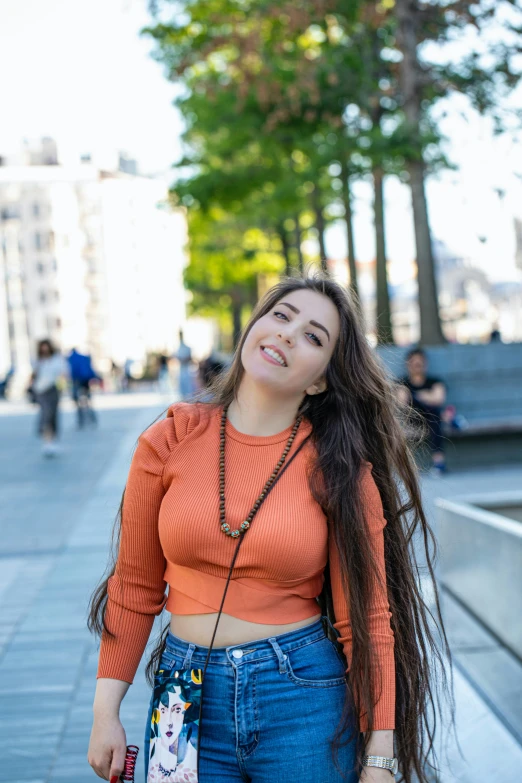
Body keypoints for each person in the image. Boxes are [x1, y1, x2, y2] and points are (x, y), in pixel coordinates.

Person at [87, 274, 454, 783]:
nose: (286, 333)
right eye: (280, 316)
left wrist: (380, 755)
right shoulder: (169, 438)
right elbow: (134, 585)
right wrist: (106, 711)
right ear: (253, 329)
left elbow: (368, 618)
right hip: (182, 695)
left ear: (320, 379)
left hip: (301, 699)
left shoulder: (341, 467)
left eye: (313, 336)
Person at [396, 348, 448, 477]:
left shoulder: (434, 381)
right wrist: (426, 395)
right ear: (408, 365)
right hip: (411, 420)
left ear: (426, 364)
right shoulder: (402, 382)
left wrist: (413, 395)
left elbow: (439, 399)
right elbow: (401, 402)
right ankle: (439, 463)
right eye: (414, 363)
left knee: (433, 414)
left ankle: (439, 464)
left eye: (420, 363)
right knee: (433, 412)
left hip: (431, 419)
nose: (417, 367)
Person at [30, 339, 69, 457]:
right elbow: (33, 375)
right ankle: (47, 441)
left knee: (53, 415)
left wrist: (63, 386)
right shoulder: (37, 360)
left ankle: (52, 440)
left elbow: (63, 373)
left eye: (46, 347)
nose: (44, 349)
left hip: (53, 389)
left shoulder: (57, 359)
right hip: (40, 391)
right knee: (46, 414)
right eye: (42, 347)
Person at [67, 348, 100, 429]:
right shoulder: (83, 357)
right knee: (88, 400)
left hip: (76, 381)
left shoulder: (70, 358)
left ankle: (81, 420)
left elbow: (70, 371)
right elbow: (90, 369)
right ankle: (93, 418)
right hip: (85, 380)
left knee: (77, 402)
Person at [174, 331, 193, 400]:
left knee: (187, 388)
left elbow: (190, 358)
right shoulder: (178, 348)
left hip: (186, 370)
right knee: (182, 388)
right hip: (181, 370)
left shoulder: (186, 348)